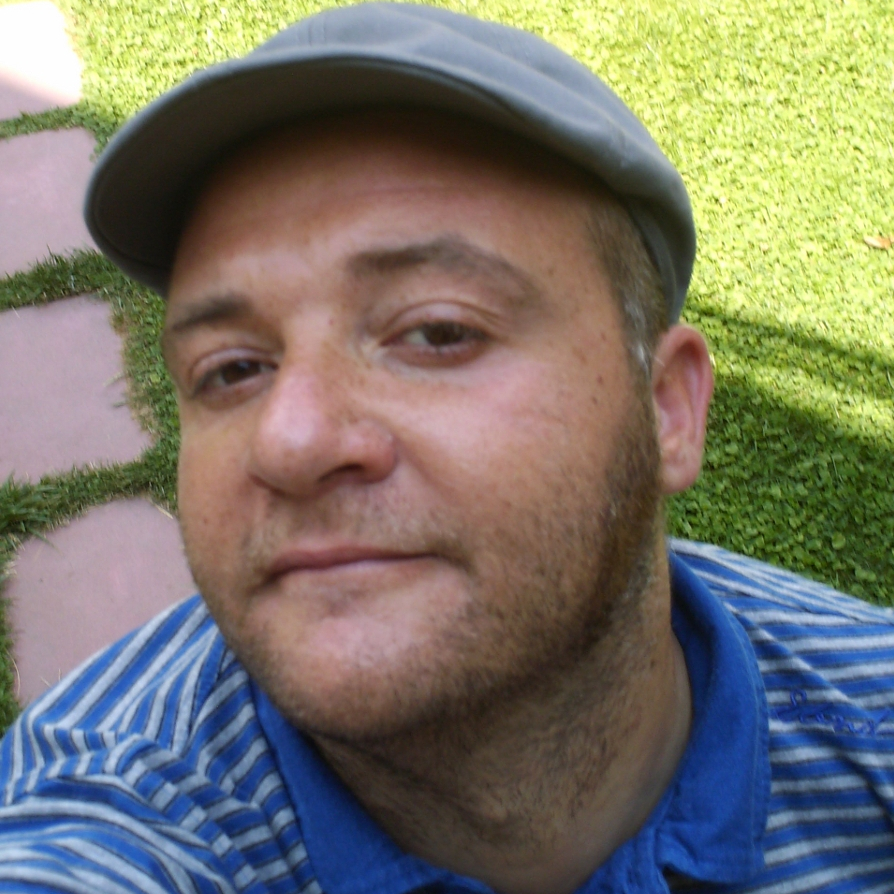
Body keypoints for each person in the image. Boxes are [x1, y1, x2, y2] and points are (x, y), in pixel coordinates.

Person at [1, 4, 893, 892]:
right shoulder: (109, 815)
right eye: (232, 369)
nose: (289, 440)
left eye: (436, 333)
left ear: (666, 410)